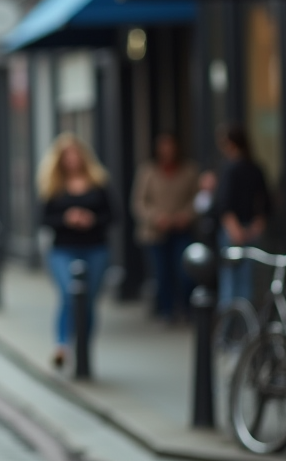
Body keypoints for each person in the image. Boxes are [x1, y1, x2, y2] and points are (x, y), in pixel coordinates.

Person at [38, 133, 113, 370]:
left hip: (95, 249)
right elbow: (43, 219)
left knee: (89, 300)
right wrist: (67, 219)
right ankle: (62, 345)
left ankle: (83, 348)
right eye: (66, 156)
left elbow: (113, 215)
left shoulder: (98, 183)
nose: (71, 160)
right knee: (69, 295)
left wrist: (91, 219)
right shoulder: (54, 186)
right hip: (63, 249)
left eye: (75, 154)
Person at [131, 133, 198, 323]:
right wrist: (156, 217)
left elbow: (197, 199)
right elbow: (139, 202)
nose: (167, 150)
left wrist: (186, 215)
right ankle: (166, 311)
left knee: (185, 271)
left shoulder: (189, 170)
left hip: (181, 229)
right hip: (156, 232)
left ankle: (187, 309)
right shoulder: (148, 171)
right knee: (162, 273)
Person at [214, 124, 271, 306]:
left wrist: (235, 230)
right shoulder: (255, 168)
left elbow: (224, 204)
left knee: (231, 283)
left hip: (234, 230)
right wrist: (255, 227)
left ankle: (230, 329)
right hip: (249, 229)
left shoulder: (230, 169)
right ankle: (245, 327)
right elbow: (265, 204)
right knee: (247, 282)